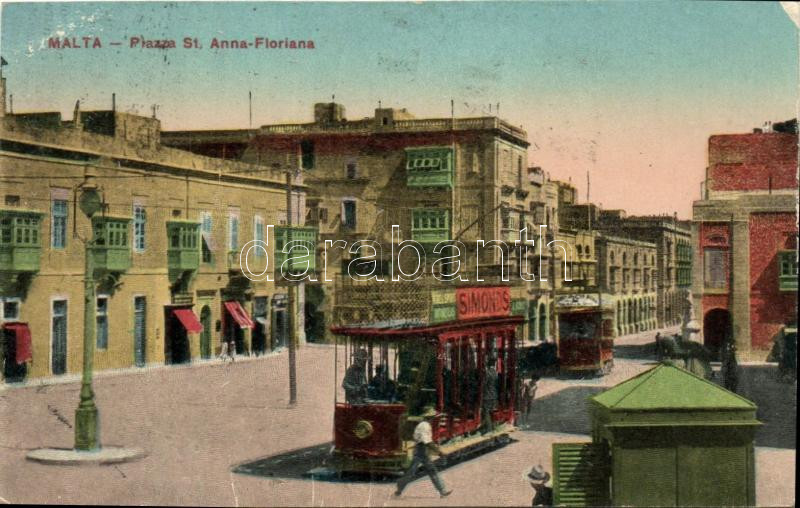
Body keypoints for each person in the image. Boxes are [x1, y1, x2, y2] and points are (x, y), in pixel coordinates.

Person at [394, 407, 452, 498]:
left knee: (431, 470)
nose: (434, 419)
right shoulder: (424, 425)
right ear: (430, 417)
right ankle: (399, 490)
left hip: (422, 450)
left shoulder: (425, 424)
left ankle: (442, 491)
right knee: (411, 472)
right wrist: (439, 452)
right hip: (420, 451)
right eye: (433, 417)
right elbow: (427, 441)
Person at [482, 356, 499, 434]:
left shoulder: (487, 372)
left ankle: (488, 429)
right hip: (494, 394)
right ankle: (494, 427)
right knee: (492, 411)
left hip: (487, 395)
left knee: (486, 412)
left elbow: (484, 383)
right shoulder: (495, 372)